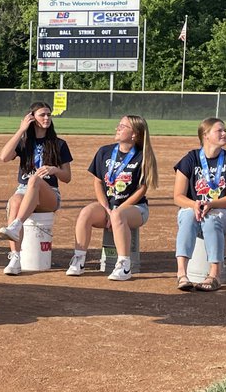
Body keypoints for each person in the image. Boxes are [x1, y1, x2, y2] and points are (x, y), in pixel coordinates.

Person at [66, 115, 158, 280]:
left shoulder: (142, 156)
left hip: (135, 208)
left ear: (134, 134)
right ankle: (79, 260)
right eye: (119, 125)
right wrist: (107, 209)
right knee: (86, 213)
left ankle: (124, 266)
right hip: (107, 206)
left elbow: (141, 190)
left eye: (123, 126)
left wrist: (117, 211)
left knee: (118, 215)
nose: (117, 128)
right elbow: (97, 182)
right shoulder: (105, 151)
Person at [0, 101, 73, 276]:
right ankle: (15, 259)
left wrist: (54, 170)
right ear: (32, 118)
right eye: (42, 115)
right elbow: (4, 157)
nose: (47, 118)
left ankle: (16, 225)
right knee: (15, 201)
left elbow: (67, 177)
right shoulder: (25, 142)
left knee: (34, 180)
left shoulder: (59, 144)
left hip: (49, 195)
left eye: (49, 115)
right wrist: (21, 130)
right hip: (24, 191)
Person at [173, 117, 226, 293]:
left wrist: (211, 203)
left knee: (212, 219)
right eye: (219, 130)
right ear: (205, 135)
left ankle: (214, 275)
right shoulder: (190, 159)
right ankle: (181, 273)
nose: (224, 133)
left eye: (225, 130)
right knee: (187, 215)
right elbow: (178, 197)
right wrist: (194, 204)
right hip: (195, 209)